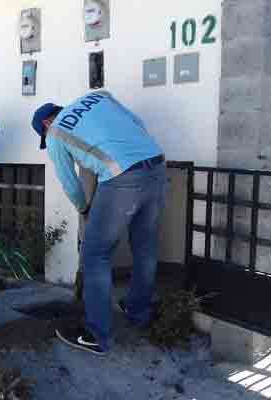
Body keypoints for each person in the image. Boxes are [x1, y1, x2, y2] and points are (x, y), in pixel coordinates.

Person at [31, 91, 167, 355]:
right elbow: (136, 121)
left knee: (95, 256)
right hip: (157, 165)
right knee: (145, 247)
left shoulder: (56, 134)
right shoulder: (98, 97)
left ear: (46, 125)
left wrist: (85, 209)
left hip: (121, 178)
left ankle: (97, 335)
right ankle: (139, 313)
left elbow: (69, 182)